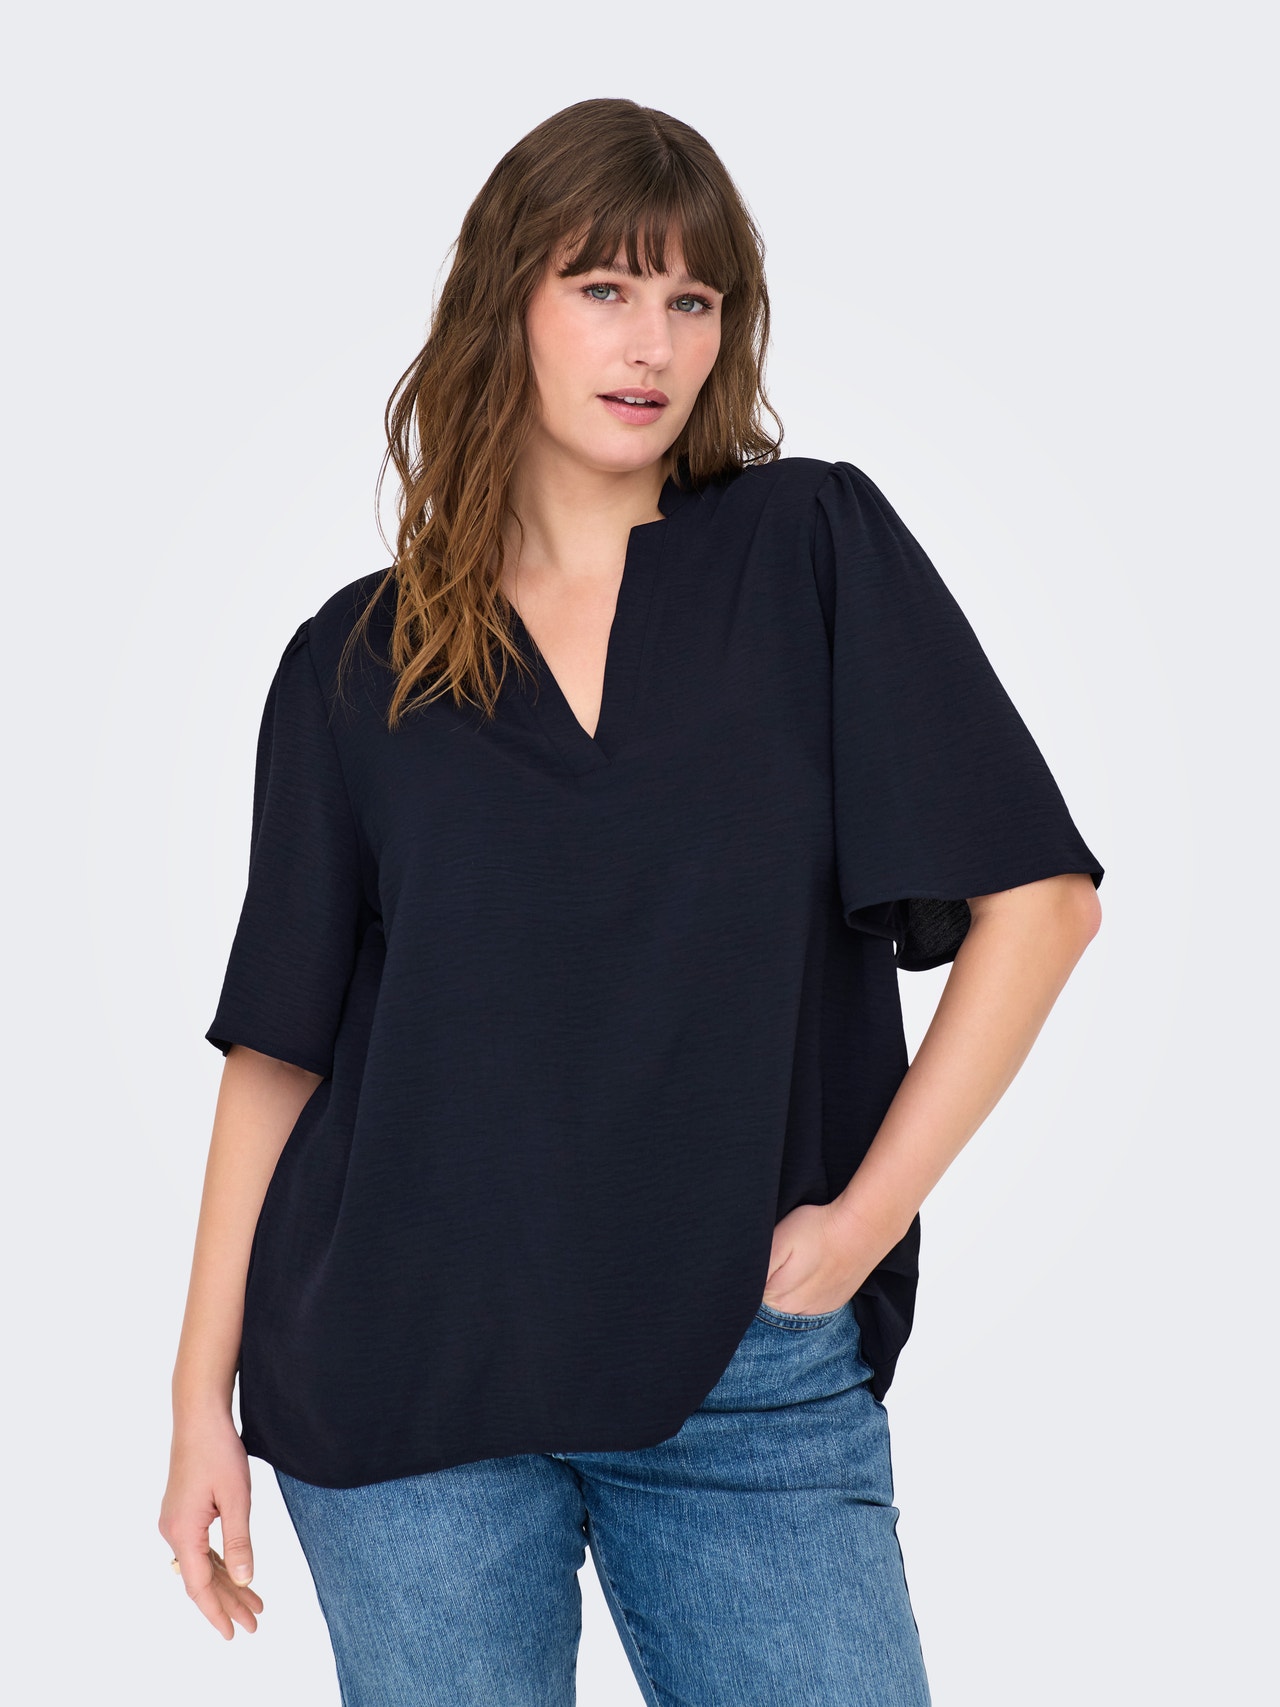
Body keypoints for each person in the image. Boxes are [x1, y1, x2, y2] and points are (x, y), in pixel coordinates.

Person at [159, 97, 1104, 1706]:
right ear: (507, 303)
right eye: (602, 287)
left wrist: (859, 1226)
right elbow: (280, 1053)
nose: (651, 341)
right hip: (401, 1371)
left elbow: (1043, 903)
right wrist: (199, 1403)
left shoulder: (808, 551)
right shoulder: (351, 660)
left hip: (745, 1372)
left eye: (691, 297)